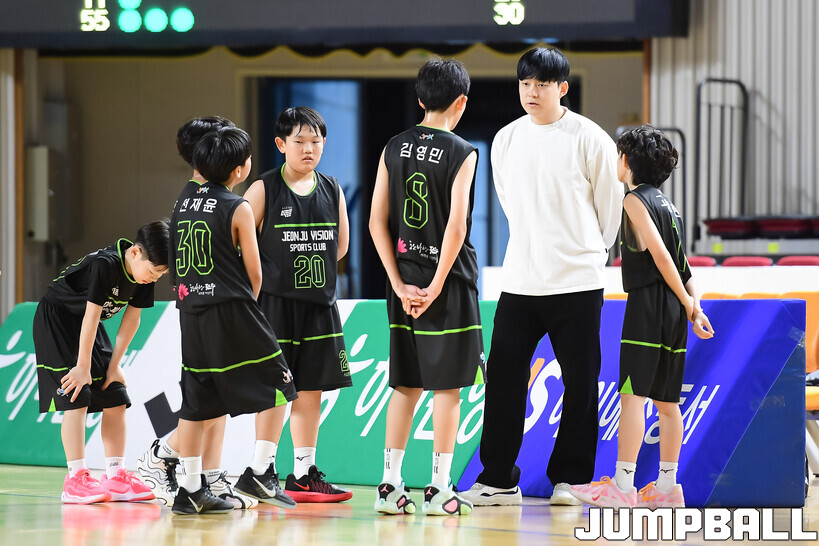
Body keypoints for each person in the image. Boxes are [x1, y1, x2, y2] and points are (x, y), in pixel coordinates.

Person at [461, 46, 623, 507]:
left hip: (577, 282)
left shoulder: (590, 138)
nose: (532, 92)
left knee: (581, 382)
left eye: (542, 85)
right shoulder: (506, 139)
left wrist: (584, 254)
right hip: (520, 280)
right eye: (525, 84)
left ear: (563, 88)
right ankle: (497, 479)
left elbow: (610, 212)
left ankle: (570, 480)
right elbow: (509, 202)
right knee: (504, 380)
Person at [570, 125, 714, 508]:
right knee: (668, 403)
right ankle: (667, 489)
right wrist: (693, 306)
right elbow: (685, 266)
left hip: (649, 306)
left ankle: (622, 487)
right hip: (674, 310)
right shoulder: (670, 206)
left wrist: (688, 303)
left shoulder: (634, 200)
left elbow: (662, 257)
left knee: (632, 397)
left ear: (626, 160)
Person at [369, 57, 483, 516]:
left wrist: (399, 284)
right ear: (461, 102)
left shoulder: (393, 146)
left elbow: (376, 222)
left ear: (420, 99)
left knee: (406, 385)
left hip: (403, 282)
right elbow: (456, 227)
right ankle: (439, 489)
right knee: (447, 389)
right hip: (448, 283)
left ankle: (388, 486)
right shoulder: (463, 151)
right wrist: (436, 286)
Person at [169, 126, 298, 515]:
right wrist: (248, 317)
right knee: (281, 386)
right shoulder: (237, 206)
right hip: (231, 310)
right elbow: (255, 275)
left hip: (190, 311)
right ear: (240, 170)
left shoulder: (183, 202)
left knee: (197, 403)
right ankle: (260, 471)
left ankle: (191, 489)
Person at [137, 116, 258, 510]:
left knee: (214, 399)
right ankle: (163, 455)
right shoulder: (217, 201)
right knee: (207, 399)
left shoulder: (191, 196)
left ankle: (209, 477)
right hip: (213, 310)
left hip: (199, 307)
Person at [243, 106, 353, 503]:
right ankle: (259, 469)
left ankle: (304, 473)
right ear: (281, 144)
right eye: (300, 141)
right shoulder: (263, 189)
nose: (309, 149)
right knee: (277, 390)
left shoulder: (333, 189)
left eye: (316, 141)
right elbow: (237, 245)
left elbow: (341, 247)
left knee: (311, 391)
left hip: (319, 306)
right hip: (274, 307)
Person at [34, 220, 170, 504]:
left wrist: (114, 366)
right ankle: (75, 479)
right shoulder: (105, 265)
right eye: (152, 271)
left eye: (160, 275)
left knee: (116, 395)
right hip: (57, 320)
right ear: (136, 253)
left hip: (88, 327)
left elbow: (132, 320)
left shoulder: (143, 277)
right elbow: (91, 315)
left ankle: (116, 475)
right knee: (77, 395)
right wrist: (82, 367)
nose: (153, 278)